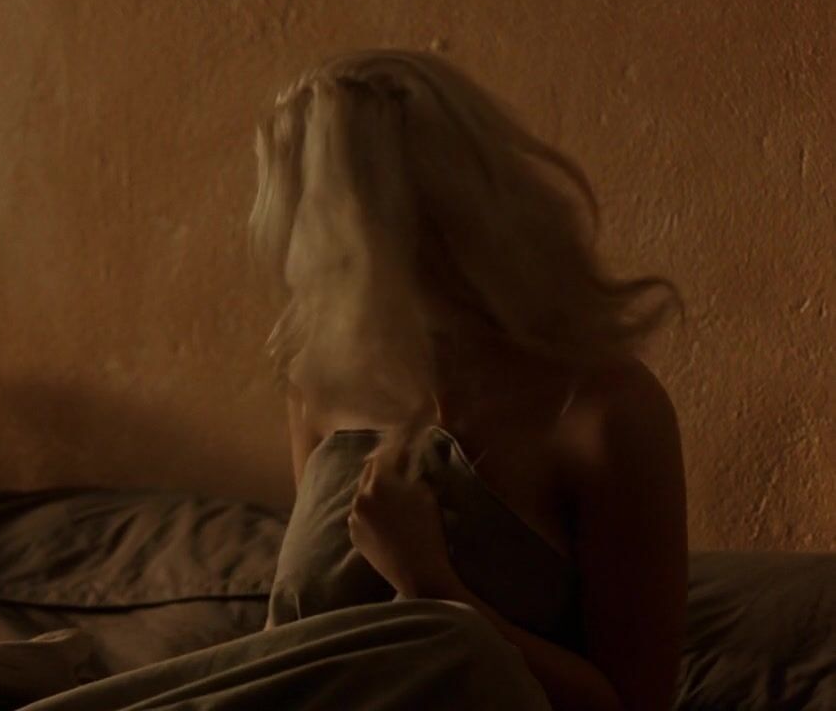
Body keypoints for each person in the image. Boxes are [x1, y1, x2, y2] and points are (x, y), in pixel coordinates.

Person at [252, 50, 688, 711]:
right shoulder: (320, 385)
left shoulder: (602, 411)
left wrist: (431, 585)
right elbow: (292, 650)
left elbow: (632, 704)